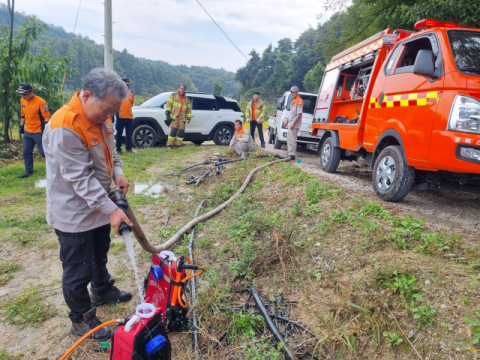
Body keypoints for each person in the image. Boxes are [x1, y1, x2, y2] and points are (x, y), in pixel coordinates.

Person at [43, 68, 134, 342]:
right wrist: (114, 210)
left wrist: (117, 171)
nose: (108, 117)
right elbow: (80, 180)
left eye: (112, 113)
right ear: (85, 95)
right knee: (77, 267)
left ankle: (103, 289)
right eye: (105, 110)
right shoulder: (65, 127)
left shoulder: (103, 117)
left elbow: (111, 150)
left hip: (98, 205)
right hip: (73, 212)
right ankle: (81, 317)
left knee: (98, 253)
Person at [16, 82, 50, 178]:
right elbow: (23, 114)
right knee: (26, 152)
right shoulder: (22, 101)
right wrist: (21, 126)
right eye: (21, 94)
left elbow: (46, 117)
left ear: (31, 92)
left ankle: (56, 167)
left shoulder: (40, 102)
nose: (23, 96)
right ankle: (29, 171)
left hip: (39, 132)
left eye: (24, 94)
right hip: (28, 131)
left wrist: (46, 131)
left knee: (44, 153)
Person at [165, 84, 192, 149]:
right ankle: (169, 145)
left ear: (185, 90)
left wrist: (189, 118)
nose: (182, 90)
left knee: (181, 132)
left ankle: (178, 145)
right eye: (181, 88)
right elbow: (169, 104)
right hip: (174, 116)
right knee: (173, 131)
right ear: (178, 88)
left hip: (182, 117)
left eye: (183, 89)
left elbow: (188, 109)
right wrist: (168, 114)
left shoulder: (186, 99)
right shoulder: (173, 95)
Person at [115, 78, 135, 154]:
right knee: (119, 134)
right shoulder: (118, 94)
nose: (127, 86)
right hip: (121, 116)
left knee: (129, 134)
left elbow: (131, 104)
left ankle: (129, 148)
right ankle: (118, 148)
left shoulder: (131, 94)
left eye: (128, 84)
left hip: (129, 117)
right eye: (126, 84)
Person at [284, 86, 303, 160]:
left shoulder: (299, 101)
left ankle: (292, 154)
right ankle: (290, 153)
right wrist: (287, 121)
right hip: (290, 123)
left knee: (292, 140)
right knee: (289, 139)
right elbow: (291, 114)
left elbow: (299, 114)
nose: (292, 93)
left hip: (294, 125)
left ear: (297, 92)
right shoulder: (293, 101)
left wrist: (293, 124)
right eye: (291, 92)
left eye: (293, 92)